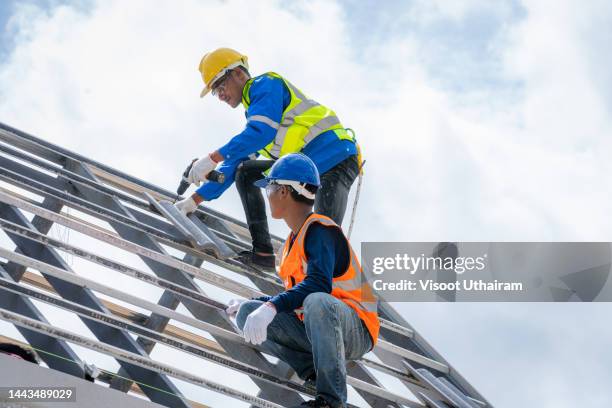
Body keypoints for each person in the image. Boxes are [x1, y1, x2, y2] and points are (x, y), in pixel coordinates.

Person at [174, 48, 361, 270]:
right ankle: (262, 253)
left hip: (335, 158)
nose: (220, 95)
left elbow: (260, 132)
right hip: (307, 168)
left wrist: (211, 158)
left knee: (320, 244)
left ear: (238, 74)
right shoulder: (256, 112)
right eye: (216, 92)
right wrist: (194, 200)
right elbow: (233, 166)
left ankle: (330, 296)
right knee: (245, 171)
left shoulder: (265, 85)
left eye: (220, 86)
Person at [226, 154, 379, 408]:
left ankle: (331, 400)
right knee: (247, 313)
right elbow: (296, 296)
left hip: (355, 328)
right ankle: (314, 373)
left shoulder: (320, 230)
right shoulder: (292, 241)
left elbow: (318, 286)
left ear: (284, 191)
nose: (267, 195)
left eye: (269, 189)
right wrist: (257, 303)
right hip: (317, 324)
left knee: (317, 301)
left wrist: (272, 307)